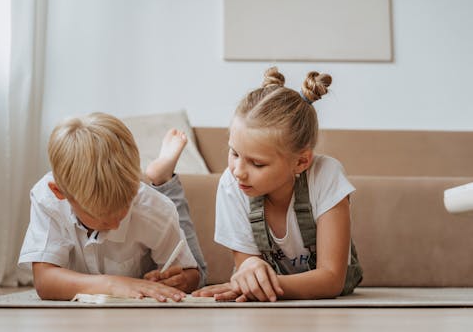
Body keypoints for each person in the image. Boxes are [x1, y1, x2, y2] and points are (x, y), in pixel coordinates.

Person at [193, 67, 362, 302]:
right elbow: (247, 265)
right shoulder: (232, 185)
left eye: (257, 164)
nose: (239, 172)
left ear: (301, 161)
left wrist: (260, 286)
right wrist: (250, 268)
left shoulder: (326, 175)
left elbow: (331, 279)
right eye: (234, 153)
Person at [18, 112, 207, 302]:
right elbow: (44, 281)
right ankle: (161, 177)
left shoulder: (153, 207)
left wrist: (181, 280)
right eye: (102, 216)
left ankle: (164, 180)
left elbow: (191, 275)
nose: (116, 223)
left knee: (200, 268)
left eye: (125, 206)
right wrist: (113, 284)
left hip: (157, 204)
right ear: (61, 193)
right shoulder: (48, 199)